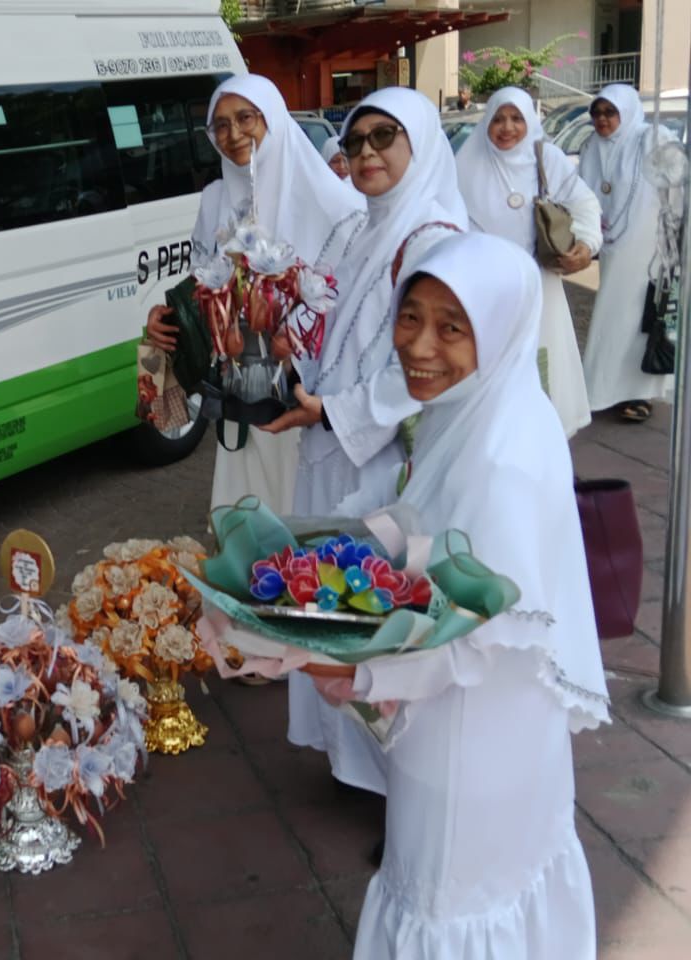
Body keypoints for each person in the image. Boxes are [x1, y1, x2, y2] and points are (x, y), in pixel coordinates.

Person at [327, 231, 609, 957]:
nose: (419, 345)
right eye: (409, 315)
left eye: (453, 327)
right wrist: (340, 553)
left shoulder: (502, 456)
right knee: (497, 878)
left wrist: (358, 671)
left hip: (470, 729)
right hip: (506, 725)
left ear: (501, 326)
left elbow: (472, 634)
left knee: (448, 891)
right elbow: (438, 526)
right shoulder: (490, 404)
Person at [263, 87, 469, 796]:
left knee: (377, 613)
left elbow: (425, 366)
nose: (367, 154)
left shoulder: (435, 237)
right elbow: (320, 321)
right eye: (354, 143)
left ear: (420, 145)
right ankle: (357, 763)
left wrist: (332, 410)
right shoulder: (357, 229)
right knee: (332, 605)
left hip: (387, 460)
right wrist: (283, 363)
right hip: (330, 443)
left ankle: (403, 787)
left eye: (385, 138)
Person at [145, 75, 363, 517]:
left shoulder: (336, 206)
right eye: (220, 125)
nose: (233, 134)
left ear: (274, 121)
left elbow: (357, 308)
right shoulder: (214, 200)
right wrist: (166, 318)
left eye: (245, 118)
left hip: (309, 407)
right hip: (239, 405)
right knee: (245, 524)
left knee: (304, 532)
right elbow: (200, 286)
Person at [456, 86, 600, 437]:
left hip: (539, 286)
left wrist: (585, 245)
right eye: (498, 119)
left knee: (542, 358)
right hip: (486, 291)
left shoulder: (546, 159)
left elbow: (585, 205)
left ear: (530, 120)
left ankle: (544, 444)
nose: (507, 128)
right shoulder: (466, 164)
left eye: (517, 118)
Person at [579, 83, 681, 422]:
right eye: (597, 113)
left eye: (610, 112)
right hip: (612, 245)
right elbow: (586, 192)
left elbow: (677, 178)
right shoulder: (593, 147)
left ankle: (638, 393)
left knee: (639, 319)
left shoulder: (650, 137)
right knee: (611, 317)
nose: (602, 119)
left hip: (647, 248)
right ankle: (605, 388)